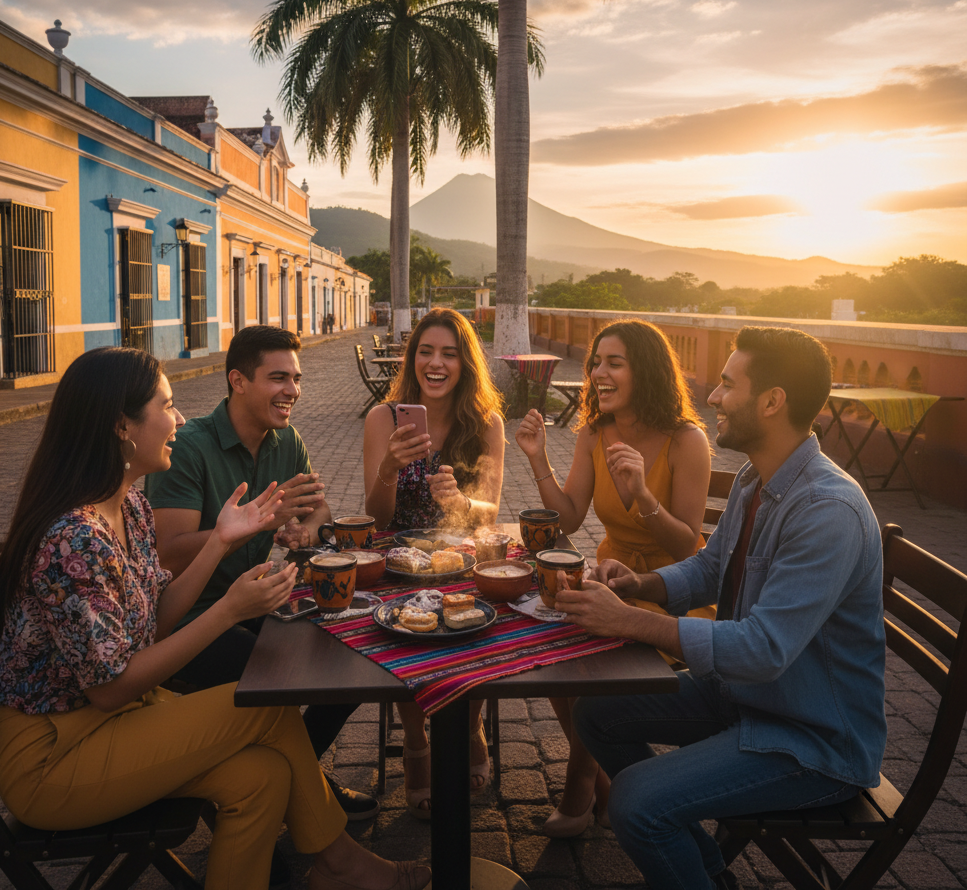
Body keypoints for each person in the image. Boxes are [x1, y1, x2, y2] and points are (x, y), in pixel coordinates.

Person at [0, 347, 430, 890]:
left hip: (113, 724)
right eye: (166, 406)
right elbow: (109, 689)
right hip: (54, 759)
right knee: (265, 708)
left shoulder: (126, 507)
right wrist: (228, 611)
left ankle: (332, 864)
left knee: (262, 777)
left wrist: (220, 542)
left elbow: (152, 624)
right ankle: (339, 863)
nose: (177, 418)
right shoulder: (73, 539)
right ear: (120, 425)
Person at [563, 326, 886, 890]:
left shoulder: (827, 510)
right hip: (750, 699)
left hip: (812, 738)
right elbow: (711, 568)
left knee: (638, 802)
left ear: (771, 401)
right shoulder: (755, 477)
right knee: (597, 712)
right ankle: (707, 874)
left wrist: (632, 620)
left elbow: (763, 650)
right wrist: (638, 582)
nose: (711, 397)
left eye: (727, 385)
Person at [145, 326, 378, 823]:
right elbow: (167, 555)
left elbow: (319, 510)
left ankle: (299, 780)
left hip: (254, 602)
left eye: (295, 378)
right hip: (189, 619)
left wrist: (307, 530)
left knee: (355, 662)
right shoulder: (187, 448)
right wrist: (259, 520)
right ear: (238, 381)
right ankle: (286, 796)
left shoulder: (284, 439)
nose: (291, 390)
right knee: (285, 679)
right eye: (278, 378)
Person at [515, 318, 713, 837]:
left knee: (585, 661)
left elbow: (688, 545)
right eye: (596, 362)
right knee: (555, 645)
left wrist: (643, 497)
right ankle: (602, 785)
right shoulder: (595, 432)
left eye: (613, 363)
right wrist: (537, 460)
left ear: (645, 371)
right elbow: (571, 518)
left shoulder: (686, 439)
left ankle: (582, 789)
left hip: (673, 590)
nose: (597, 373)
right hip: (610, 574)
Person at [363, 308, 505, 819]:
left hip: (462, 554)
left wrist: (463, 506)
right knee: (401, 627)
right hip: (399, 557)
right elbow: (377, 520)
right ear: (412, 357)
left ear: (466, 363)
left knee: (481, 622)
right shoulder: (384, 419)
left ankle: (470, 728)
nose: (436, 363)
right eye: (426, 351)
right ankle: (416, 741)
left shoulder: (487, 423)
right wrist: (388, 469)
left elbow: (491, 510)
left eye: (449, 353)